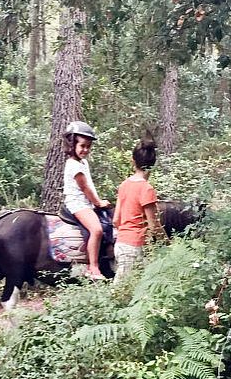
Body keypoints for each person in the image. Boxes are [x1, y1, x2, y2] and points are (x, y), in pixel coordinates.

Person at [112, 135, 166, 283]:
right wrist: (168, 244)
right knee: (119, 291)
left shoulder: (124, 185)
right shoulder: (146, 189)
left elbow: (116, 220)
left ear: (132, 161)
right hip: (134, 246)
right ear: (152, 165)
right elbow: (154, 226)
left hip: (120, 244)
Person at [62, 120, 111, 280]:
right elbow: (85, 188)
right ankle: (93, 267)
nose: (85, 150)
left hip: (86, 203)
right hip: (78, 204)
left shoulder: (83, 162)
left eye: (88, 146)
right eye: (82, 146)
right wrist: (98, 203)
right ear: (72, 145)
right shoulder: (73, 165)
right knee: (96, 230)